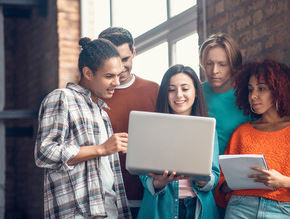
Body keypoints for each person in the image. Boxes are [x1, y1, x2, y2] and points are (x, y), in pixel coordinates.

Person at [215, 59, 290, 218]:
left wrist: (281, 181)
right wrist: (235, 181)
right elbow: (221, 186)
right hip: (239, 206)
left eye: (261, 89)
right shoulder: (241, 133)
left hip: (281, 209)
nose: (253, 96)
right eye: (250, 89)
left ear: (278, 89)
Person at [35, 37, 132, 219]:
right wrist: (101, 149)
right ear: (88, 73)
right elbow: (44, 154)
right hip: (77, 214)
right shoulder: (62, 98)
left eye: (118, 75)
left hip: (108, 210)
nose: (117, 83)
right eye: (109, 76)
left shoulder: (101, 112)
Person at [137, 64, 220, 219]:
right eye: (171, 89)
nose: (178, 95)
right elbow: (143, 174)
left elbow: (214, 174)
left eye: (185, 88)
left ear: (195, 92)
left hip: (197, 208)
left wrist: (201, 180)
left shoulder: (208, 128)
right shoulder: (152, 128)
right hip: (161, 208)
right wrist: (158, 182)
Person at [98, 27, 159, 217]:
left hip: (150, 194)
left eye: (125, 59)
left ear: (134, 52)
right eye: (114, 61)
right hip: (107, 199)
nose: (120, 67)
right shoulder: (94, 96)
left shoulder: (154, 90)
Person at [199, 33, 252, 155]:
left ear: (233, 66)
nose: (214, 71)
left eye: (222, 64)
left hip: (234, 168)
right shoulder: (196, 93)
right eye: (209, 63)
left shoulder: (248, 96)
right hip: (201, 167)